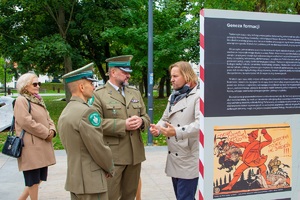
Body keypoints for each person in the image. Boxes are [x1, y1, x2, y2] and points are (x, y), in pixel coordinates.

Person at [92, 55, 150, 200]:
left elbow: (146, 117)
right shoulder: (99, 95)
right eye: (124, 72)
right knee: (111, 196)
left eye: (128, 71)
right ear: (113, 72)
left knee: (130, 196)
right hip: (114, 156)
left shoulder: (134, 92)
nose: (128, 75)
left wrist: (141, 121)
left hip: (135, 155)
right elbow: (94, 123)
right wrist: (122, 125)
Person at [58, 63, 114, 200]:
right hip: (92, 181)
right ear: (81, 87)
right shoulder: (87, 112)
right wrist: (109, 167)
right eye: (91, 83)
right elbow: (98, 147)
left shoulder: (66, 111)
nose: (94, 86)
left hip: (75, 179)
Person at [149, 61, 200, 200]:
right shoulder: (174, 96)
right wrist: (158, 129)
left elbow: (200, 124)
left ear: (187, 75)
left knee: (185, 197)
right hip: (175, 157)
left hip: (188, 157)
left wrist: (176, 131)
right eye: (171, 76)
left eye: (175, 76)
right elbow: (165, 118)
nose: (171, 79)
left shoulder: (198, 96)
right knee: (181, 197)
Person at [14, 72, 56, 200]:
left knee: (38, 179)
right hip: (30, 147)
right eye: (35, 84)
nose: (38, 86)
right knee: (32, 181)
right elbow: (26, 122)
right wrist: (45, 133)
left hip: (41, 146)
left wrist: (52, 130)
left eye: (39, 83)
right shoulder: (21, 100)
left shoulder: (38, 100)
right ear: (25, 86)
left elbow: (48, 118)